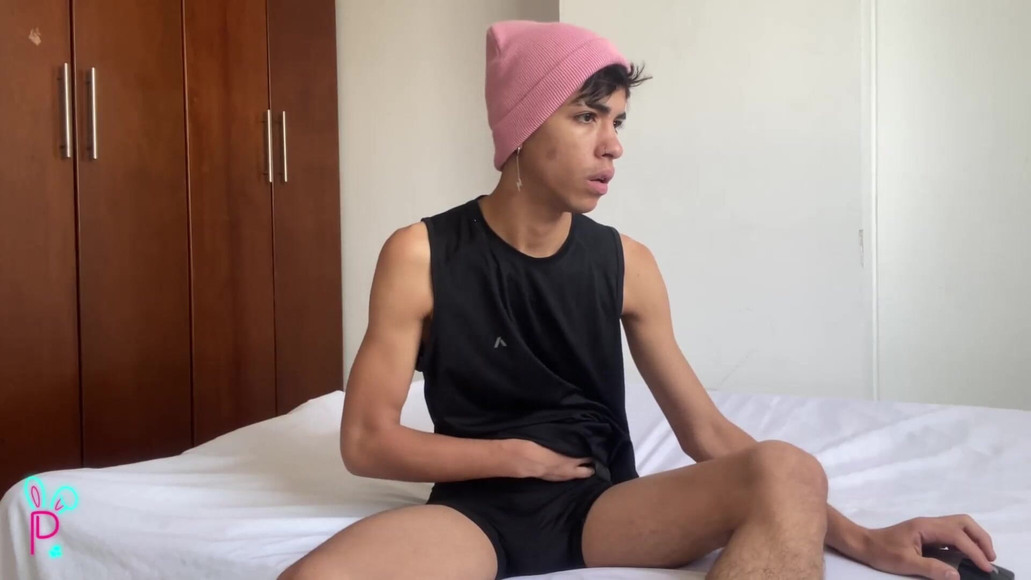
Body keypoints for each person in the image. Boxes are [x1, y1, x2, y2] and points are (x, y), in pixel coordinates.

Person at [279, 20, 997, 580]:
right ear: (524, 125)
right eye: (586, 117)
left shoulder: (627, 264)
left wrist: (864, 540)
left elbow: (704, 432)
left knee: (789, 468)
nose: (612, 146)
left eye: (617, 122)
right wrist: (512, 457)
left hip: (604, 507)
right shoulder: (420, 255)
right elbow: (365, 442)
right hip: (474, 516)